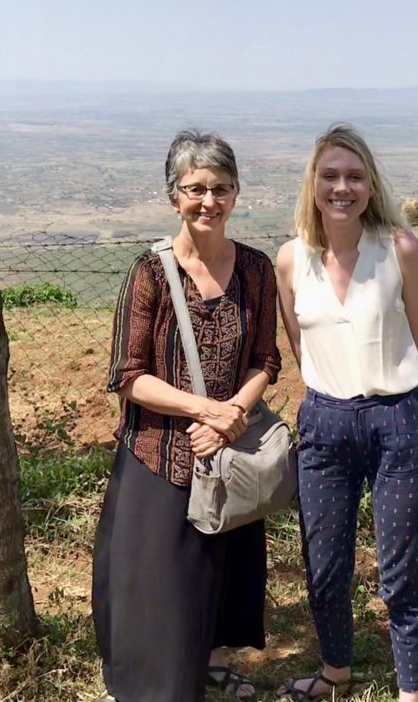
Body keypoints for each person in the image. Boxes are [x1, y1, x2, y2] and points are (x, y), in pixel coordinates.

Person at [93, 129, 281, 702]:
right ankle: (152, 686)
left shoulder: (255, 270)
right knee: (159, 583)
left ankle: (214, 663)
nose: (208, 201)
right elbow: (127, 375)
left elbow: (265, 359)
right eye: (195, 189)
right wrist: (206, 410)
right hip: (157, 453)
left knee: (222, 569)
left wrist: (234, 414)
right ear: (174, 197)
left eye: (220, 188)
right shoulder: (149, 273)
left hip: (230, 450)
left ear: (236, 193)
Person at [275, 124, 418, 702]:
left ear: (370, 186)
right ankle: (335, 673)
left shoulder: (399, 250)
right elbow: (301, 346)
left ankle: (410, 689)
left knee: (400, 572)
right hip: (324, 423)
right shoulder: (291, 260)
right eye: (330, 176)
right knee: (324, 566)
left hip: (396, 422)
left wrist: (384, 386)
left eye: (354, 176)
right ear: (312, 184)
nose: (341, 188)